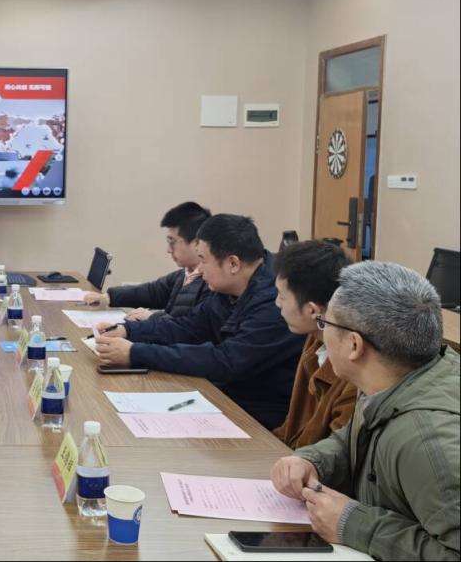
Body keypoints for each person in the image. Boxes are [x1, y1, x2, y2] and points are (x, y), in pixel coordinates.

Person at [271, 262, 459, 560]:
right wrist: (312, 461)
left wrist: (354, 525)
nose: (322, 334)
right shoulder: (391, 383)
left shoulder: (429, 441)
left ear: (354, 345)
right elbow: (354, 439)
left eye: (325, 324)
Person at [95, 214, 304, 429]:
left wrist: (135, 353)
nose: (200, 269)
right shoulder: (229, 287)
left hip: (257, 417)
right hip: (223, 396)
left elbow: (226, 361)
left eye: (203, 260)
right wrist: (128, 331)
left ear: (233, 263)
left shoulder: (274, 301)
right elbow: (188, 326)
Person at [272, 240, 356, 449]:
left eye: (282, 296)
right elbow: (292, 428)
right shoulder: (315, 337)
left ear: (312, 310)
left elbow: (334, 454)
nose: (277, 303)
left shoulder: (354, 367)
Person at [83, 201, 211, 319]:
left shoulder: (211, 284)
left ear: (196, 243)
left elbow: (189, 327)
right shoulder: (184, 274)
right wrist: (108, 297)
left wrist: (151, 318)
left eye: (172, 242)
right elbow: (152, 292)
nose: (169, 250)